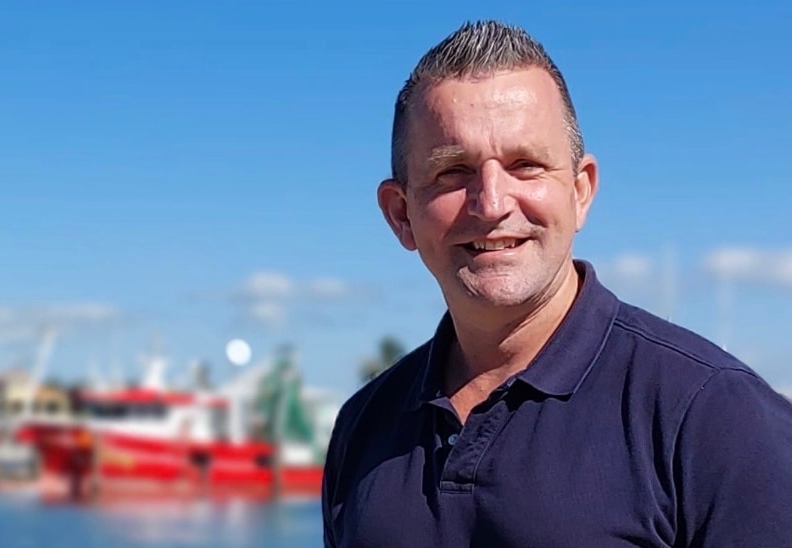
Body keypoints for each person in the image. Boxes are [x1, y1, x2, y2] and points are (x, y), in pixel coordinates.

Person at [322, 20, 792, 547]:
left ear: (580, 192)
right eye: (453, 171)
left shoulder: (714, 416)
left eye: (525, 165)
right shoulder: (363, 426)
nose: (493, 203)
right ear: (401, 214)